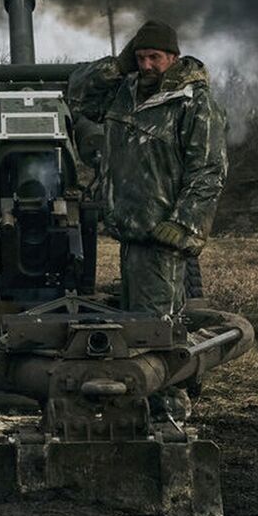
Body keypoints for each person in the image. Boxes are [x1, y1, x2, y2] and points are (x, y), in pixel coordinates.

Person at [68, 19, 228, 319]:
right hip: (130, 232)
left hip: (162, 236)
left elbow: (209, 171)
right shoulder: (124, 95)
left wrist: (182, 224)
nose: (146, 65)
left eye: (155, 57)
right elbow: (78, 94)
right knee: (137, 325)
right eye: (140, 57)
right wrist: (117, 66)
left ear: (173, 58)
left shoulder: (194, 104)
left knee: (156, 329)